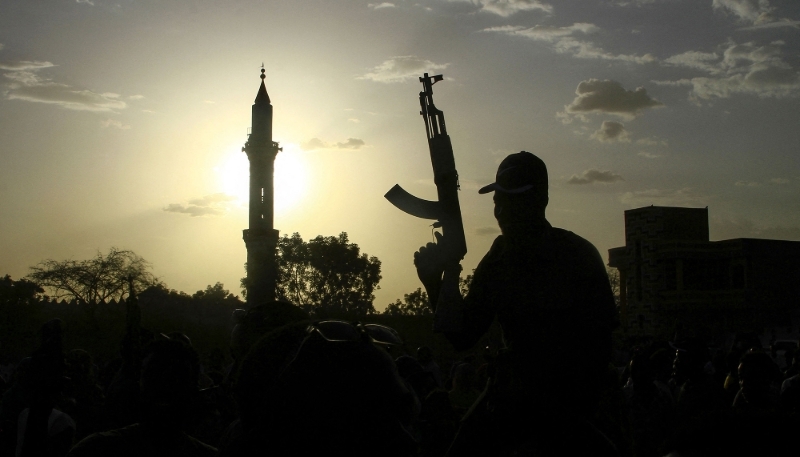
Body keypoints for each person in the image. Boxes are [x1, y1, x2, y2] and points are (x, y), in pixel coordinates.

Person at [414, 151, 619, 455]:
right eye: (499, 200)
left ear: (540, 201)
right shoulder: (499, 257)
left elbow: (602, 347)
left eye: (513, 199)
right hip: (509, 398)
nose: (502, 210)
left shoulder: (576, 256)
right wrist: (436, 283)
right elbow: (463, 335)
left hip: (565, 406)